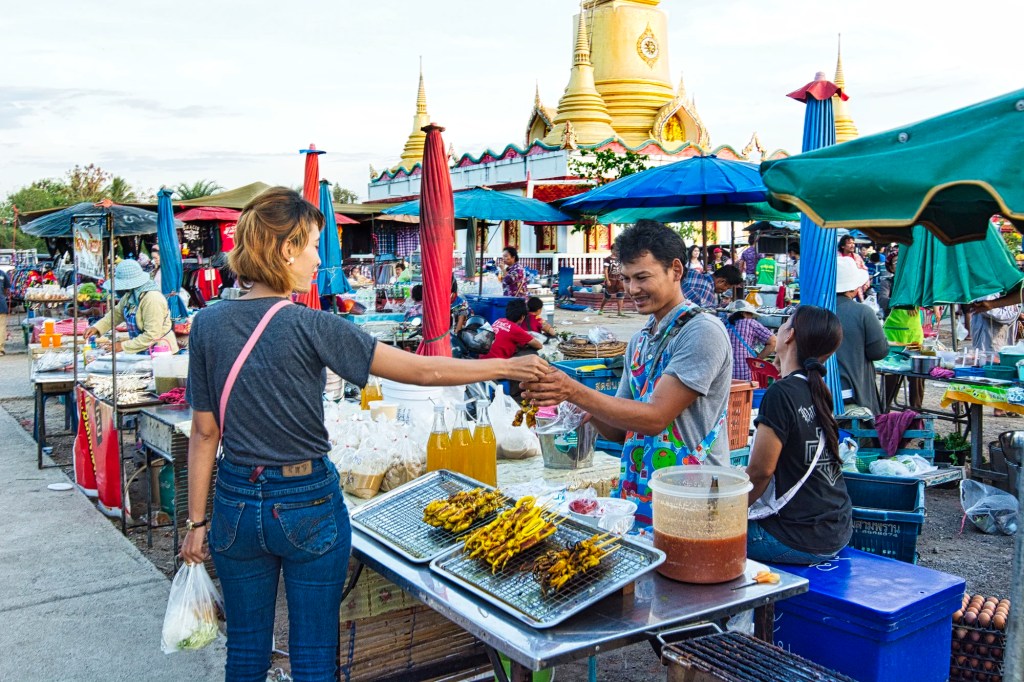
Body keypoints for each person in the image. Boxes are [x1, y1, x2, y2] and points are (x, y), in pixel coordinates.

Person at [179, 187, 546, 681]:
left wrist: (196, 523)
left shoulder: (208, 322)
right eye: (311, 244)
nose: (317, 258)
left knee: (245, 651)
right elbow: (421, 372)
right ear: (286, 249)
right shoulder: (313, 325)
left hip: (235, 503)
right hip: (307, 500)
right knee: (312, 654)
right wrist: (508, 366)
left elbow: (205, 433)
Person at [522, 220, 733, 530]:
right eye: (626, 278)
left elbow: (654, 418)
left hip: (694, 498)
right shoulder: (639, 341)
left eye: (642, 277)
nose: (632, 289)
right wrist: (584, 410)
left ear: (676, 270)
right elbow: (622, 432)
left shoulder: (702, 332)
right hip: (641, 494)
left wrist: (574, 391)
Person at [746, 305, 852, 564]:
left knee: (691, 532)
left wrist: (723, 513)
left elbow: (760, 472)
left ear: (790, 335)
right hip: (837, 530)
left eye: (783, 325)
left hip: (800, 538)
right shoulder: (817, 390)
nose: (779, 330)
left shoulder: (781, 393)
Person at [83, 259, 178, 354]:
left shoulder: (152, 299)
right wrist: (97, 327)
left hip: (160, 352)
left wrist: (122, 346)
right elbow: (116, 314)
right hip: (141, 350)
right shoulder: (130, 295)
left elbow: (152, 335)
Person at [834, 258, 889, 414]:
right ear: (852, 288)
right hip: (853, 393)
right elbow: (879, 351)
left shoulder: (810, 310)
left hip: (816, 390)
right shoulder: (863, 312)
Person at [724, 300, 777, 381]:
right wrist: (758, 359)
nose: (751, 316)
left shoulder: (723, 323)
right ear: (744, 313)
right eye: (750, 313)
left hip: (725, 373)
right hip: (745, 372)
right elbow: (773, 341)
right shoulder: (751, 323)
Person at [598, 252, 625, 316]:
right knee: (607, 296)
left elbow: (623, 267)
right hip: (611, 279)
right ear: (613, 250)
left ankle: (619, 311)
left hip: (619, 280)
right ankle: (601, 309)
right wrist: (607, 280)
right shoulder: (607, 259)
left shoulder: (620, 259)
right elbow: (606, 270)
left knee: (620, 295)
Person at [0, 266, 11, 355]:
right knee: (1, 327)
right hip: (1, 304)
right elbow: (6, 289)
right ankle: (0, 349)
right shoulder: (2, 273)